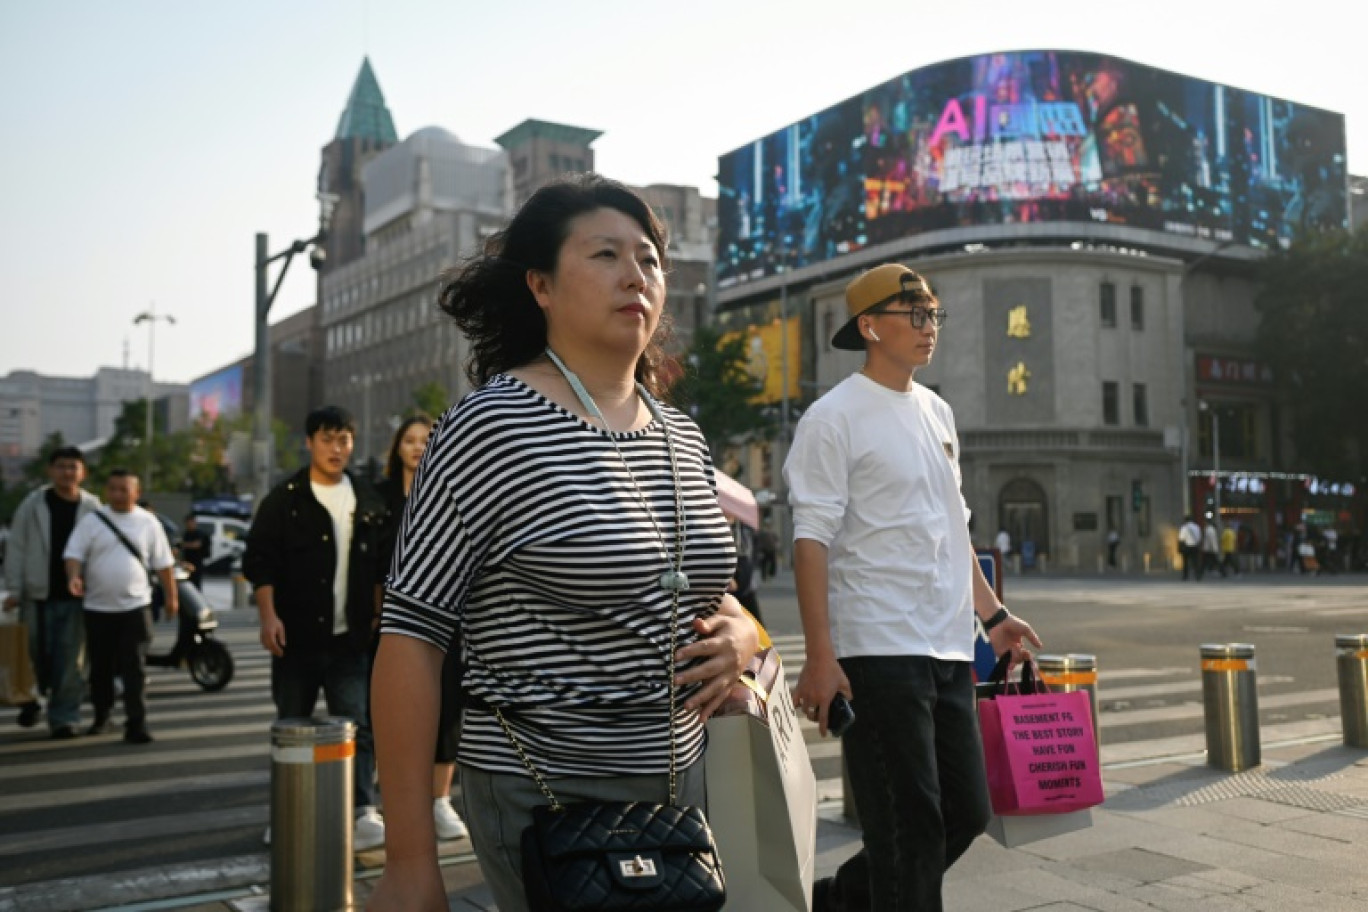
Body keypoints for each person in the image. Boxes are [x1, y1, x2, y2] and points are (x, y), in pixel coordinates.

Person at [367, 175, 760, 912]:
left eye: (649, 259)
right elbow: (412, 636)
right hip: (543, 793)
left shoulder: (681, 433)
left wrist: (742, 632)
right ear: (541, 286)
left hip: (683, 785)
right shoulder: (491, 427)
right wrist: (410, 858)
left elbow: (692, 584)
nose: (635, 276)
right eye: (606, 255)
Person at [786, 263, 1042, 911]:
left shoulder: (937, 411)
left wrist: (994, 617)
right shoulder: (831, 418)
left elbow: (953, 529)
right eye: (916, 314)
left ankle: (840, 900)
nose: (931, 327)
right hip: (876, 650)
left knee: (964, 811)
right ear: (869, 326)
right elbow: (810, 540)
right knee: (910, 830)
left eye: (935, 314)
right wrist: (821, 656)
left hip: (949, 647)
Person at [243, 405, 389, 850]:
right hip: (297, 639)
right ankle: (289, 812)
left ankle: (363, 809)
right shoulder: (284, 498)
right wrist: (268, 617)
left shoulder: (367, 497)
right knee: (293, 727)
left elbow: (383, 564)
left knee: (358, 725)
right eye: (327, 439)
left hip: (351, 640)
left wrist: (381, 613)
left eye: (344, 439)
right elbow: (259, 562)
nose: (336, 448)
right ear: (309, 443)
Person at [375, 413, 469, 842]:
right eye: (409, 440)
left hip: (450, 622)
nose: (417, 446)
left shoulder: (456, 490)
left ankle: (440, 800)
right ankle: (395, 804)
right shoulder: (378, 499)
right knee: (399, 711)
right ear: (397, 448)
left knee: (448, 711)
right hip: (392, 622)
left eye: (425, 438)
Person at [63, 469, 178, 743]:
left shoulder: (148, 522)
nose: (117, 494)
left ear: (136, 493)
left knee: (134, 666)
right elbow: (73, 554)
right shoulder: (92, 521)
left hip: (136, 608)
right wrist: (73, 577)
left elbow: (164, 564)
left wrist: (171, 597)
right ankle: (102, 716)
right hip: (98, 608)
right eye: (112, 488)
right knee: (100, 667)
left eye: (123, 489)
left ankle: (136, 723)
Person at [3, 447, 101, 738]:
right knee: (35, 656)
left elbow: (100, 550)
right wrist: (14, 588)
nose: (67, 472)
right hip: (36, 594)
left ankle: (64, 718)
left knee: (70, 660)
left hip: (75, 596)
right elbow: (17, 547)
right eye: (61, 466)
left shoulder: (93, 507)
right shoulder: (33, 504)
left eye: (73, 467)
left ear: (83, 473)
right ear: (50, 470)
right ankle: (32, 698)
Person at [178, 514, 210, 589]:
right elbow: (179, 545)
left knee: (196, 584)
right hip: (187, 562)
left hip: (197, 562)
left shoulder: (200, 533)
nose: (189, 525)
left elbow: (197, 545)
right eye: (187, 523)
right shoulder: (186, 534)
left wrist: (184, 544)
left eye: (191, 522)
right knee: (188, 583)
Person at [1178, 515, 1201, 580]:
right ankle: (1197, 575)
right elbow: (1199, 537)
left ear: (1186, 520)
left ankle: (1185, 576)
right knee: (1195, 562)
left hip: (1187, 546)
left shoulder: (1184, 528)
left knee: (1185, 562)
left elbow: (1181, 538)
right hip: (1195, 546)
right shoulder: (1197, 527)